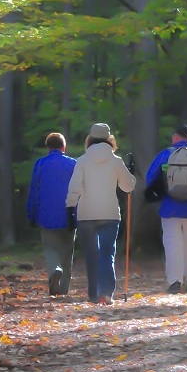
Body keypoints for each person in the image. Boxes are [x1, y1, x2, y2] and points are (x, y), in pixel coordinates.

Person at [66, 123, 136, 305]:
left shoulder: (82, 161)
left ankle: (92, 294)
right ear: (109, 139)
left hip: (86, 214)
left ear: (90, 139)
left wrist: (70, 207)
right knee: (107, 253)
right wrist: (132, 174)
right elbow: (128, 187)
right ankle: (106, 293)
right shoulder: (116, 161)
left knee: (91, 255)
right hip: (110, 214)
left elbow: (75, 187)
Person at [144, 125, 187, 294]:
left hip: (169, 207)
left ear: (176, 137)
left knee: (172, 243)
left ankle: (175, 280)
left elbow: (150, 178)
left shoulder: (166, 154)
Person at [26, 132, 77, 296]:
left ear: (48, 148)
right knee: (67, 252)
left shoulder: (40, 164)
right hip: (69, 215)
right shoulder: (73, 164)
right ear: (64, 147)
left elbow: (34, 191)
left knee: (49, 248)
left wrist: (31, 214)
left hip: (46, 215)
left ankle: (55, 269)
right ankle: (64, 289)